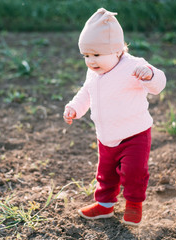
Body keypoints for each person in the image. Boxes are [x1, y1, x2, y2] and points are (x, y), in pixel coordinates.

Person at [63, 8, 166, 226]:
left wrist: (150, 75)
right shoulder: (94, 71)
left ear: (118, 50)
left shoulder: (134, 66)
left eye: (97, 55)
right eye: (86, 56)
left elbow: (158, 85)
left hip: (134, 134)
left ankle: (134, 204)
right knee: (105, 173)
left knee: (134, 172)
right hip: (106, 135)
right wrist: (74, 107)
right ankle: (105, 206)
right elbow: (86, 92)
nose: (91, 61)